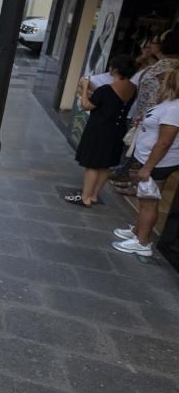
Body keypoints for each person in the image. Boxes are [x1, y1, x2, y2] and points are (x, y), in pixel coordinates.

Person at [112, 67, 179, 257]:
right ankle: (137, 231)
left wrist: (148, 167)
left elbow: (165, 141)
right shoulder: (169, 104)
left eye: (161, 80)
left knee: (149, 202)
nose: (157, 83)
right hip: (148, 160)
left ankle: (143, 242)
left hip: (157, 164)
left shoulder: (175, 109)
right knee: (144, 200)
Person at [65, 55, 137, 207]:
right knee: (106, 165)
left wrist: (85, 87)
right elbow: (111, 100)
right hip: (117, 130)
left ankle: (85, 197)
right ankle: (94, 195)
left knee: (92, 164)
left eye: (111, 66)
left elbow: (86, 105)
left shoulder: (106, 89)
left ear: (115, 69)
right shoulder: (132, 88)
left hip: (100, 129)